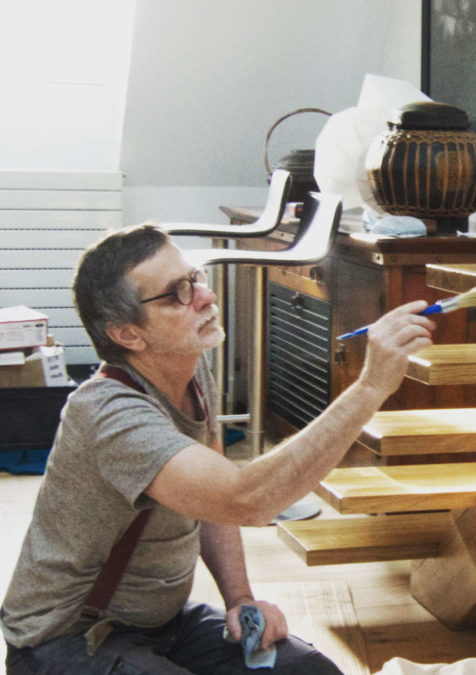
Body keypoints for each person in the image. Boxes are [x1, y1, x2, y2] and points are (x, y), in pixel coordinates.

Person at [1, 223, 435, 673]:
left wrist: (240, 600)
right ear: (128, 334)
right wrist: (369, 388)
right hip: (64, 641)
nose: (204, 297)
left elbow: (214, 505)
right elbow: (243, 498)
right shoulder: (108, 414)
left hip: (163, 624)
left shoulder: (191, 372)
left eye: (195, 279)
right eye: (176, 294)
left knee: (309, 670)